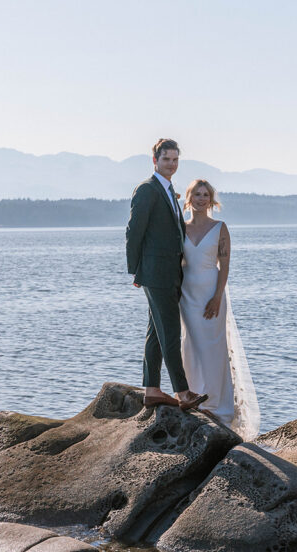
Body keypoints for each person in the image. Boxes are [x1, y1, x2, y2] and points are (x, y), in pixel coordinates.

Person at [125, 139, 208, 410]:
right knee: (170, 331)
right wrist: (136, 270)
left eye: (175, 160)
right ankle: (183, 394)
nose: (171, 164)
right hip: (155, 273)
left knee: (156, 333)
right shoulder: (147, 190)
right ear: (155, 161)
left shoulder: (170, 191)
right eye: (166, 160)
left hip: (170, 273)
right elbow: (134, 232)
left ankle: (151, 390)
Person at [178, 179, 260, 438]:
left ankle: (218, 406)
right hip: (186, 294)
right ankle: (193, 395)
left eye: (206, 195)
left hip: (212, 292)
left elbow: (224, 267)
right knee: (191, 345)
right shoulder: (180, 228)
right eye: (197, 194)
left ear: (211, 200)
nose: (202, 199)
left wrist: (217, 296)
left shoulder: (220, 228)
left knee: (214, 347)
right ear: (188, 198)